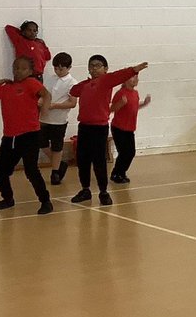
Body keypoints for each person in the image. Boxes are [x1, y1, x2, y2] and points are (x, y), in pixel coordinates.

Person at [69, 55, 149, 205]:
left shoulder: (106, 80)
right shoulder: (87, 84)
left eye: (98, 65)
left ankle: (103, 192)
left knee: (99, 160)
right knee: (83, 160)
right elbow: (74, 91)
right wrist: (88, 82)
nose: (93, 68)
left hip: (99, 127)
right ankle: (85, 189)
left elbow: (119, 75)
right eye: (91, 65)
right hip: (84, 127)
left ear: (105, 69)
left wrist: (134, 69)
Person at [0, 57, 53, 213]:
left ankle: (45, 201)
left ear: (30, 71)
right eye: (16, 68)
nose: (18, 71)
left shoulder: (31, 84)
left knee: (31, 170)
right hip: (10, 137)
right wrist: (2, 80)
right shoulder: (5, 87)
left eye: (23, 68)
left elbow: (46, 95)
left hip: (29, 135)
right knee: (1, 173)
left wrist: (45, 111)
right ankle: (7, 199)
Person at [42, 52, 78, 184]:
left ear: (69, 68)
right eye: (55, 68)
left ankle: (55, 172)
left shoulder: (72, 83)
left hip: (59, 120)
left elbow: (73, 103)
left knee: (57, 146)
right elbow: (43, 94)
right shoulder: (50, 78)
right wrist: (41, 101)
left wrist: (55, 105)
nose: (57, 71)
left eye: (61, 69)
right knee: (42, 144)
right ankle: (60, 164)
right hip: (43, 118)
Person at [110, 75, 150, 184]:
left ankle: (121, 172)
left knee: (131, 152)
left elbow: (134, 107)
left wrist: (144, 103)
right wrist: (121, 103)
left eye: (137, 78)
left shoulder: (135, 93)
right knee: (123, 152)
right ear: (126, 80)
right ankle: (116, 173)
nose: (136, 80)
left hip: (129, 128)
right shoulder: (120, 93)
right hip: (119, 128)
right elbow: (112, 109)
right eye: (133, 77)